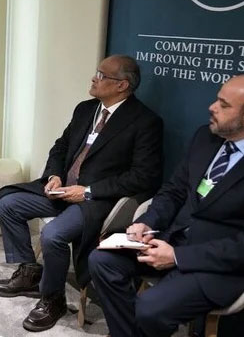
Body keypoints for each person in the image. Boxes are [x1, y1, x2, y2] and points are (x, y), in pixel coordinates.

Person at [0, 55, 164, 332]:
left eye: (101, 75)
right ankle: (30, 272)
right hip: (61, 189)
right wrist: (54, 175)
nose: (94, 78)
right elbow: (60, 147)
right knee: (9, 203)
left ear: (122, 85)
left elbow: (144, 176)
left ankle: (52, 299)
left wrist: (88, 191)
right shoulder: (85, 109)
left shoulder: (145, 122)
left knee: (53, 235)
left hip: (97, 200)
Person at [89, 75, 244, 337]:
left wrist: (177, 257)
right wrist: (147, 222)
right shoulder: (205, 137)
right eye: (216, 99)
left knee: (149, 309)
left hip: (217, 264)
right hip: (172, 238)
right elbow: (174, 190)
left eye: (224, 105)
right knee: (102, 260)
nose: (212, 107)